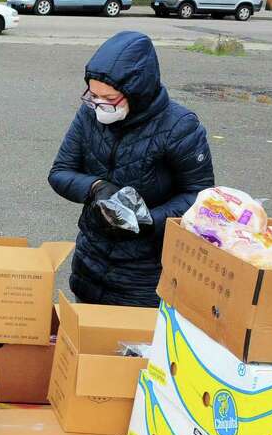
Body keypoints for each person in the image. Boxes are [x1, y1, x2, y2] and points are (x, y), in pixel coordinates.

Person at [49, 31, 214, 307]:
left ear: (136, 92)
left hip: (144, 275)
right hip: (90, 263)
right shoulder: (90, 114)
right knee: (85, 344)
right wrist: (95, 188)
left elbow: (200, 196)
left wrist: (149, 221)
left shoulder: (179, 127)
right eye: (93, 95)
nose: (99, 104)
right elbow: (60, 171)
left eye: (109, 98)